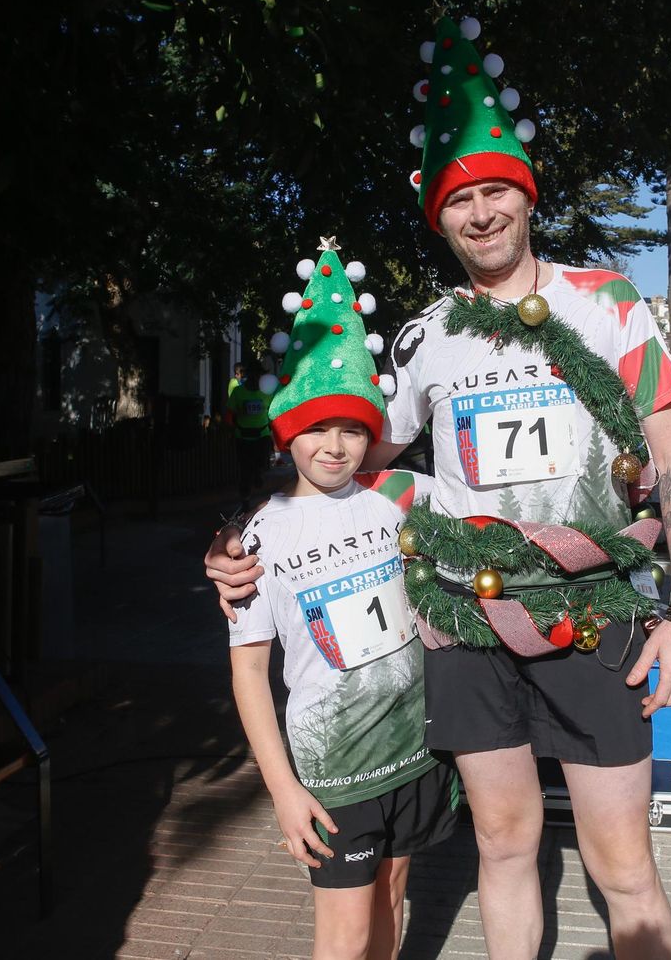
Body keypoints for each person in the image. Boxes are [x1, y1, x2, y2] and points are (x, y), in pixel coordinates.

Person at [208, 14, 671, 959]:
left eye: (494, 193)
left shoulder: (606, 302)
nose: (479, 214)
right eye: (458, 201)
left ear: (525, 196)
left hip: (594, 618)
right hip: (468, 630)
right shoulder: (421, 337)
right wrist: (240, 540)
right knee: (506, 843)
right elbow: (340, 459)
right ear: (435, 216)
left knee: (623, 864)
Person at [229, 244, 455, 960]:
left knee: (391, 900)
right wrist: (283, 791)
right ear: (287, 432)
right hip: (334, 769)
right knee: (344, 936)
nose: (335, 445)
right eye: (316, 428)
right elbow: (247, 671)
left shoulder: (396, 499)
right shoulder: (257, 535)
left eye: (353, 428)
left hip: (413, 753)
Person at [226, 359, 273, 504]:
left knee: (261, 463)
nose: (255, 378)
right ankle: (245, 497)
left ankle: (259, 473)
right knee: (245, 469)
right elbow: (230, 413)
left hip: (262, 435)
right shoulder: (238, 392)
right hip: (243, 436)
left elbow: (273, 412)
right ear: (247, 376)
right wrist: (232, 426)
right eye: (252, 375)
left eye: (258, 376)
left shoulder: (267, 393)